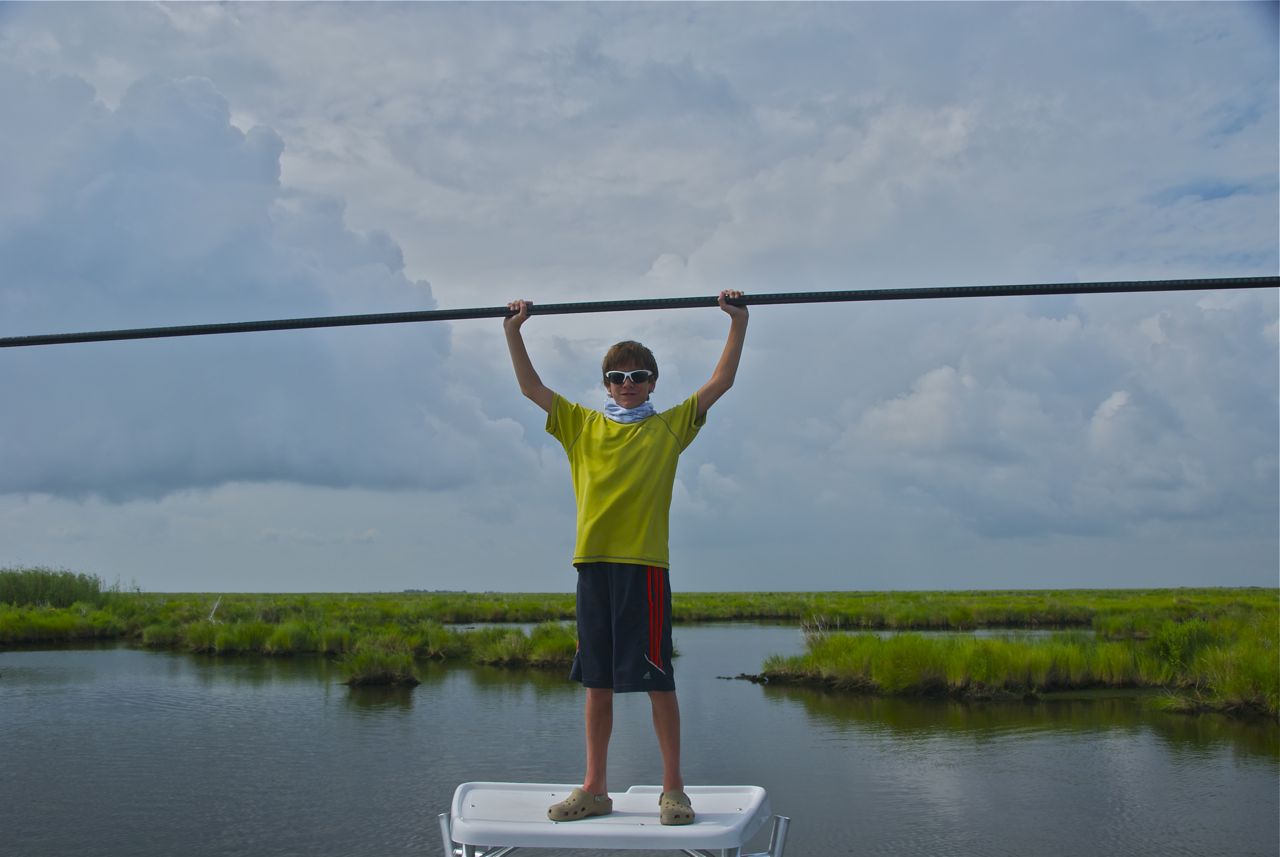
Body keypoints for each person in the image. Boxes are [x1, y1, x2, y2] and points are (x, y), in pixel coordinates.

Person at [503, 290, 748, 826]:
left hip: (645, 569)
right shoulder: (581, 425)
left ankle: (673, 790)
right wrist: (514, 330)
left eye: (638, 376)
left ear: (653, 382)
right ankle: (594, 788)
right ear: (605, 384)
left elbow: (720, 383)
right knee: (598, 682)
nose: (627, 385)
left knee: (658, 680)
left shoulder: (669, 428)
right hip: (592, 566)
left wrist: (738, 320)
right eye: (617, 377)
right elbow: (530, 387)